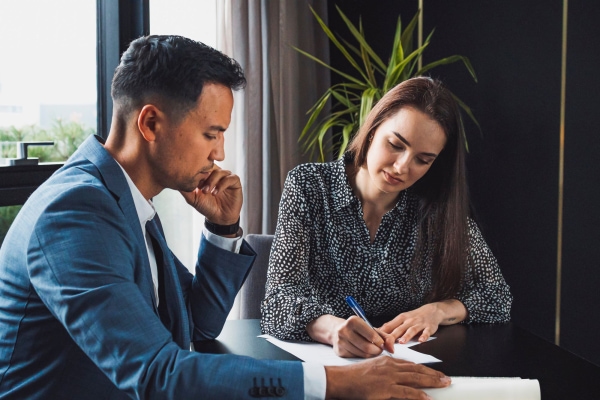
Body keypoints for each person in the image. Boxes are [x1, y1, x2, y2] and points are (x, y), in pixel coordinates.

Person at [0, 36, 451, 399]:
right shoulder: (76, 213)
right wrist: (338, 383)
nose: (219, 153)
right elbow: (157, 374)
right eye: (210, 134)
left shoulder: (125, 201)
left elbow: (195, 327)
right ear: (151, 123)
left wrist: (222, 229)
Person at [261, 76, 513, 359]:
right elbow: (277, 302)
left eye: (423, 160)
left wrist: (438, 311)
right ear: (372, 129)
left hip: (402, 365)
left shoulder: (435, 209)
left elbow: (497, 297)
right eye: (395, 144)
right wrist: (332, 330)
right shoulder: (309, 186)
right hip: (324, 369)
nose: (402, 167)